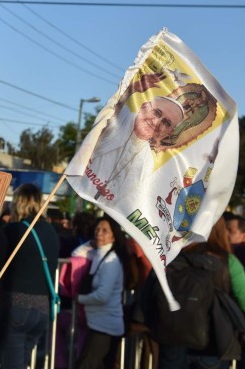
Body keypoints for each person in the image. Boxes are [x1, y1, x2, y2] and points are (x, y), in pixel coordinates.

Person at [155, 216, 245, 369]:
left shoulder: (171, 258)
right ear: (220, 232)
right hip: (211, 346)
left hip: (172, 343)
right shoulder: (228, 262)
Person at [0, 183, 60, 369]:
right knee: (21, 363)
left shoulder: (15, 230)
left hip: (16, 306)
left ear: (18, 202)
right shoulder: (51, 231)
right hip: (42, 309)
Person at [89, 94, 185, 202]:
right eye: (157, 113)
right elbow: (119, 97)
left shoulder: (148, 163)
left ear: (169, 132)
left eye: (166, 123)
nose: (156, 122)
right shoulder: (119, 116)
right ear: (144, 106)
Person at [74, 216, 128, 369]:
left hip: (106, 327)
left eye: (105, 231)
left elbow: (102, 296)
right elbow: (76, 254)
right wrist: (91, 243)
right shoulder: (98, 254)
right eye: (97, 230)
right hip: (98, 324)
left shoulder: (112, 261)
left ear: (114, 236)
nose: (99, 233)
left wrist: (80, 299)